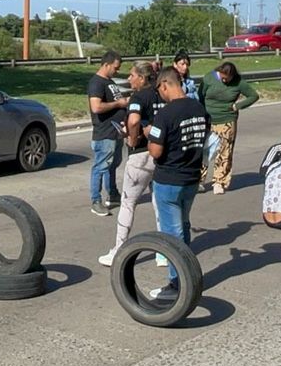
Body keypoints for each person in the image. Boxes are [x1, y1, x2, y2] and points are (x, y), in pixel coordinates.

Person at [145, 66, 211, 299]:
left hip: (169, 180)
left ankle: (177, 284)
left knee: (172, 235)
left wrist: (149, 137)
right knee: (183, 226)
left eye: (158, 89)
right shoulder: (199, 108)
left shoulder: (165, 114)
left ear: (165, 84)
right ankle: (188, 274)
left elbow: (155, 151)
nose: (159, 94)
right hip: (191, 178)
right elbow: (204, 138)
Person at [99, 62, 162, 267]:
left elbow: (134, 121)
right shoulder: (162, 94)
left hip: (141, 156)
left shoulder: (138, 97)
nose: (129, 78)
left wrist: (132, 139)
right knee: (159, 202)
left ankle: (119, 250)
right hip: (160, 154)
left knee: (128, 203)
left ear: (142, 78)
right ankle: (164, 253)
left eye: (132, 75)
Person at [199, 61, 258, 194]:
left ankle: (219, 181)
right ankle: (198, 180)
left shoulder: (238, 82)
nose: (224, 80)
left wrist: (238, 106)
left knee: (224, 151)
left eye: (227, 78)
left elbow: (253, 96)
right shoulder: (209, 78)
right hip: (208, 119)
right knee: (205, 150)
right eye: (222, 77)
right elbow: (200, 96)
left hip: (227, 120)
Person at [87, 50, 128, 216]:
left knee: (112, 164)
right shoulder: (96, 83)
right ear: (106, 64)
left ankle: (113, 193)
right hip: (104, 133)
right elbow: (96, 107)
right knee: (101, 166)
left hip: (115, 132)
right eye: (115, 68)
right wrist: (118, 104)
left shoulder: (109, 81)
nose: (117, 71)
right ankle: (95, 200)